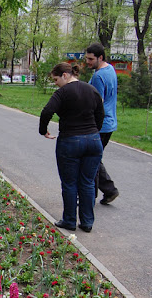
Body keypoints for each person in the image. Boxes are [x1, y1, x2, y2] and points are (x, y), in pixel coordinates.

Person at [39, 62, 104, 233]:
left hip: (70, 141)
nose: (55, 83)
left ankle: (69, 220)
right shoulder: (91, 90)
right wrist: (94, 131)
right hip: (93, 141)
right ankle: (87, 222)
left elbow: (47, 111)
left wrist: (43, 130)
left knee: (69, 183)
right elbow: (100, 113)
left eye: (56, 79)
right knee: (88, 182)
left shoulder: (62, 93)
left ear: (65, 75)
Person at [85, 42, 119, 205]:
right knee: (95, 158)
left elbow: (96, 102)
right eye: (86, 59)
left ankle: (93, 194)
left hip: (100, 124)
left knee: (91, 159)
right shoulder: (110, 69)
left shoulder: (99, 76)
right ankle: (107, 191)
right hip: (109, 122)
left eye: (91, 59)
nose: (88, 62)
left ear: (100, 57)